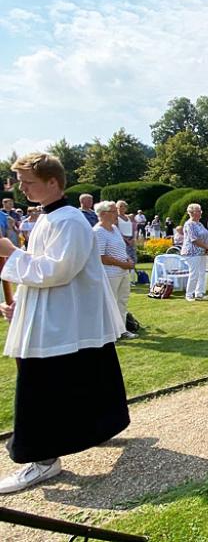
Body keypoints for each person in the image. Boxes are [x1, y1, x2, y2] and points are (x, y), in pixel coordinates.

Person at [0, 152, 129, 493]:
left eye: (29, 182)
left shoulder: (69, 221)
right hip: (54, 315)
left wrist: (11, 252)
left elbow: (57, 271)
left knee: (41, 387)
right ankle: (94, 430)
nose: (22, 189)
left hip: (64, 320)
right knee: (77, 379)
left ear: (53, 182)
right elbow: (42, 266)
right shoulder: (48, 218)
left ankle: (42, 459)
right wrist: (21, 305)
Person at [94, 201, 137, 338]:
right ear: (103, 214)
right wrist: (123, 264)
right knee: (110, 303)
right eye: (113, 212)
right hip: (110, 273)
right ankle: (110, 332)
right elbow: (101, 257)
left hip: (122, 272)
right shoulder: (98, 231)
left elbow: (121, 248)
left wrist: (128, 260)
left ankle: (122, 330)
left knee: (122, 301)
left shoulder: (114, 228)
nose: (116, 214)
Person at [181, 203, 208, 301]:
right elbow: (194, 240)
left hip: (202, 252)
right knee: (194, 273)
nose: (200, 213)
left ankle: (199, 293)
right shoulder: (189, 224)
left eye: (200, 211)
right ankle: (189, 294)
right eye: (198, 211)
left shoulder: (200, 224)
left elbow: (206, 236)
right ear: (192, 213)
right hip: (192, 252)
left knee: (202, 273)